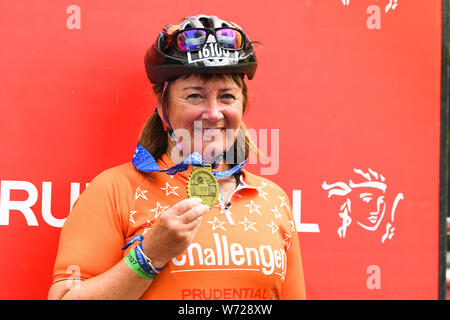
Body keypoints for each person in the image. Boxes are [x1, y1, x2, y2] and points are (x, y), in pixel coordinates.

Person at [48, 14, 306, 300]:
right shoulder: (115, 190)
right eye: (195, 96)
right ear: (163, 108)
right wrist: (148, 257)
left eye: (227, 96)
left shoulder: (272, 199)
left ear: (243, 105)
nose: (213, 113)